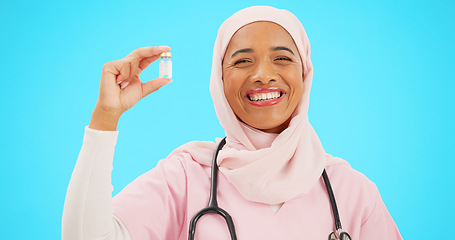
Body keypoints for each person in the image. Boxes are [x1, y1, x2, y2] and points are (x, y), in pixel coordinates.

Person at [62, 6, 403, 240]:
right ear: (219, 80)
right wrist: (105, 117)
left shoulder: (351, 191)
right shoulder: (185, 177)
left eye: (282, 58)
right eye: (242, 61)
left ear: (305, 73)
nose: (263, 74)